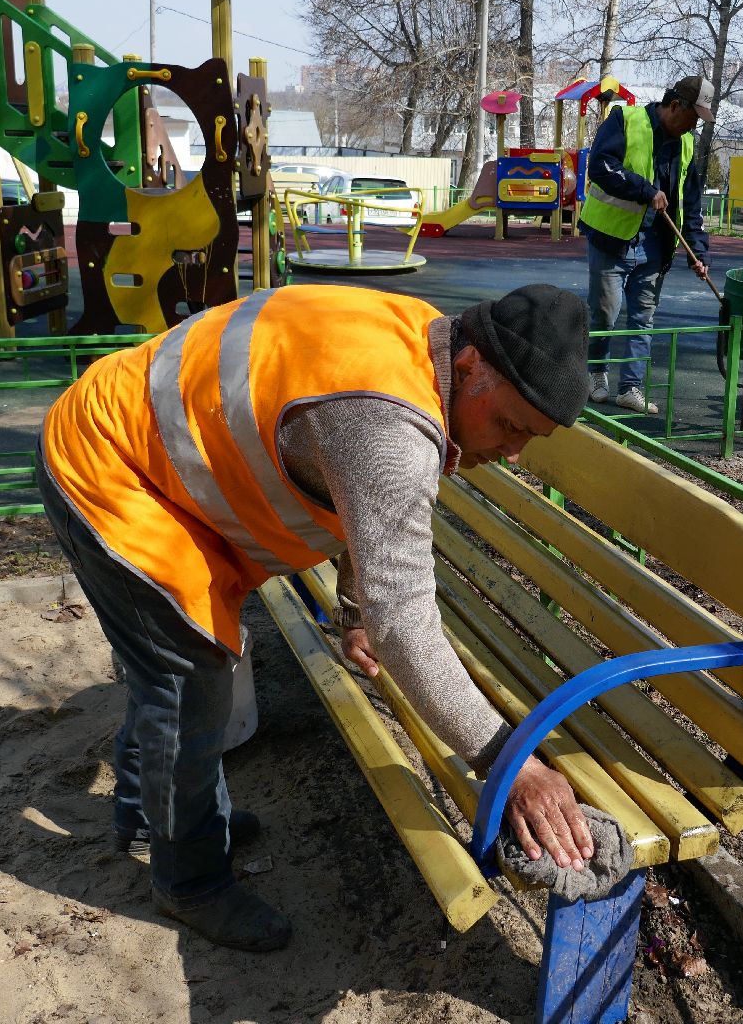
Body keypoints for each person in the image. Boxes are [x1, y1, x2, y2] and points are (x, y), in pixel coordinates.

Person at [38, 283, 598, 953]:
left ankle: (151, 812)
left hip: (151, 453)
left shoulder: (428, 347)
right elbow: (405, 620)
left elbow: (358, 500)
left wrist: (356, 611)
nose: (510, 452)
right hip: (114, 471)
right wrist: (512, 762)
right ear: (473, 364)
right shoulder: (388, 418)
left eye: (526, 440)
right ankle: (190, 879)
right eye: (508, 426)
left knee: (175, 677)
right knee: (188, 680)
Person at [580, 74, 712, 415]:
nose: (694, 126)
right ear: (674, 106)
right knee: (605, 312)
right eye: (693, 117)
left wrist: (698, 251)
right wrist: (645, 190)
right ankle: (597, 374)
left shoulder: (685, 144)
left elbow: (692, 203)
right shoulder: (624, 119)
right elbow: (600, 166)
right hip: (612, 238)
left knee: (643, 319)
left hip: (655, 246)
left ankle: (630, 388)